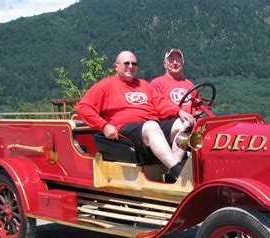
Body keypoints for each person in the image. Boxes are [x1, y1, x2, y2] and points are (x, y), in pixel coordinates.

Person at [77, 50, 195, 183]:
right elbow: (83, 107)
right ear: (116, 66)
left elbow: (161, 104)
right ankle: (178, 171)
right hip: (125, 131)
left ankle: (171, 173)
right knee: (151, 126)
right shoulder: (106, 85)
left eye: (134, 63)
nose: (130, 66)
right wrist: (104, 126)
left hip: (150, 128)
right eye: (126, 63)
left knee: (181, 125)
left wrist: (179, 112)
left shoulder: (143, 84)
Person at [150, 48, 195, 114]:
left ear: (182, 63)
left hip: (191, 120)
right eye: (171, 60)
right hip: (169, 120)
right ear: (165, 64)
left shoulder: (190, 84)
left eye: (178, 60)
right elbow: (158, 106)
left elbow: (197, 107)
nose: (175, 63)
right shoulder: (157, 84)